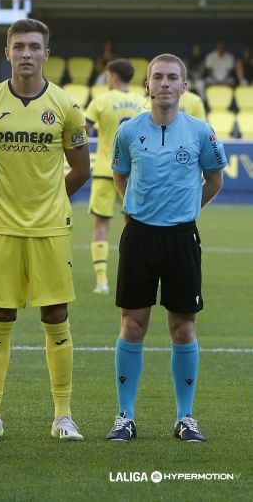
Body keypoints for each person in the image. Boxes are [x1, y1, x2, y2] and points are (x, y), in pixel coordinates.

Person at [0, 18, 90, 441]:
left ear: (46, 54)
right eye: (18, 46)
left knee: (56, 315)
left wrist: (51, 200)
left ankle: (63, 415)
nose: (26, 54)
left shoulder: (67, 106)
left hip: (52, 229)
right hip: (2, 228)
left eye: (34, 47)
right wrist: (4, 199)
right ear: (7, 52)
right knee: (0, 314)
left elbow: (81, 169)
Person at [106, 54, 226, 443]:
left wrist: (188, 209)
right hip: (139, 236)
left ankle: (185, 417)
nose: (164, 84)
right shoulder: (128, 131)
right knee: (133, 324)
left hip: (181, 238)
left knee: (183, 327)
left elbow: (214, 180)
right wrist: (134, 207)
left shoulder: (200, 131)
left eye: (173, 77)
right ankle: (124, 416)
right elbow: (119, 174)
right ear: (147, 85)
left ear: (184, 86)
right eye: (157, 77)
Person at [84, 59, 145, 294]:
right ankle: (138, 276)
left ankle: (102, 282)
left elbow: (83, 131)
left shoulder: (100, 100)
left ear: (113, 76)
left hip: (104, 170)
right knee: (136, 226)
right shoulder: (143, 102)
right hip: (133, 174)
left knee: (101, 225)